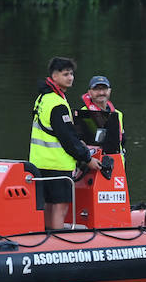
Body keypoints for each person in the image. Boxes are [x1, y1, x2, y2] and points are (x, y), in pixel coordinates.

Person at [29, 56, 103, 231]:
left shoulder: (42, 98)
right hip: (57, 164)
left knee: (48, 204)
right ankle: (57, 243)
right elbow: (67, 138)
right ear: (54, 76)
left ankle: (46, 238)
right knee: (60, 207)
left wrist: (78, 140)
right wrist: (87, 158)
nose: (70, 78)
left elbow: (53, 131)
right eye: (65, 74)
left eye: (71, 74)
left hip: (39, 163)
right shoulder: (58, 103)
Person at [75, 74, 125, 158]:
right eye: (96, 89)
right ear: (89, 92)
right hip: (94, 164)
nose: (101, 93)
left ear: (110, 91)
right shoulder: (83, 113)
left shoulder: (117, 114)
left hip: (117, 163)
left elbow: (122, 140)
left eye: (104, 89)